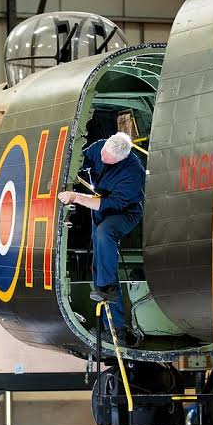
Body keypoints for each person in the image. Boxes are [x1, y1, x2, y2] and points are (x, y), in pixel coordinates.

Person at [58, 132, 145, 342]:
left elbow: (108, 204)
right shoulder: (100, 147)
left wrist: (77, 197)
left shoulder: (134, 174)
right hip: (100, 210)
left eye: (108, 159)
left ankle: (108, 290)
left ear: (122, 158)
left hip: (124, 213)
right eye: (103, 154)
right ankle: (115, 329)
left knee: (105, 233)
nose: (103, 159)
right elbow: (83, 160)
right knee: (101, 263)